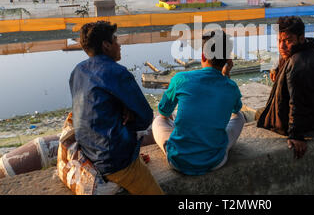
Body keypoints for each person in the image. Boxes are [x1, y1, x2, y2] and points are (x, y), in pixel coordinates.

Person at [69, 21, 164, 195]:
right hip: (114, 162)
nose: (119, 45)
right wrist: (131, 115)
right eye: (115, 40)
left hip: (89, 153)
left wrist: (121, 107)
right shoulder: (117, 72)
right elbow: (145, 118)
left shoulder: (78, 71)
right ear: (106, 45)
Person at [152, 30, 245, 175]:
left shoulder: (180, 78)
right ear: (227, 60)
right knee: (239, 116)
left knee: (159, 120)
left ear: (203, 55)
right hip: (215, 161)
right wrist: (226, 75)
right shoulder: (231, 86)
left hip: (178, 161)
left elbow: (164, 111)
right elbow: (236, 109)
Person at [257, 16, 314, 159]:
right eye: (279, 41)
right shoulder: (311, 46)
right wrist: (277, 67)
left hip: (312, 120)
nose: (281, 46)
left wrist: (296, 135)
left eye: (288, 41)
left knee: (260, 114)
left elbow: (297, 102)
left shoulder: (297, 66)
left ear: (300, 38)